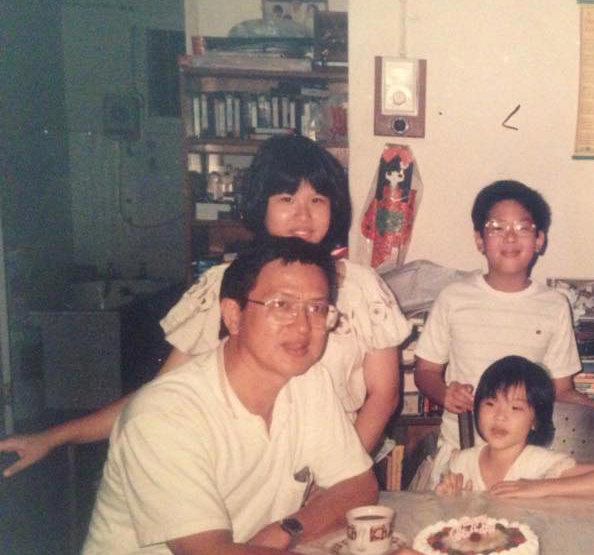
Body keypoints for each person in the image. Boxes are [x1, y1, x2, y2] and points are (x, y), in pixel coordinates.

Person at [71, 239, 443, 555]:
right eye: (282, 305)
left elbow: (357, 484)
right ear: (233, 316)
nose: (303, 325)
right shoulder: (164, 415)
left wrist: (288, 529)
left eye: (317, 308)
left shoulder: (306, 381)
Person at [0, 134, 409, 476]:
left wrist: (336, 478)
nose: (304, 214)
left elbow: (383, 396)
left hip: (340, 470)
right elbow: (162, 395)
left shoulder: (360, 288)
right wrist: (55, 436)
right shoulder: (224, 286)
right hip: (244, 475)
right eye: (287, 198)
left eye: (318, 199)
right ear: (260, 205)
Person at [415, 179, 594, 487]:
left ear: (539, 240)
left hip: (522, 460)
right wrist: (445, 393)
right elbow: (425, 371)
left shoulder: (554, 304)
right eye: (496, 227)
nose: (510, 237)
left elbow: (561, 391)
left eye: (523, 228)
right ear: (479, 239)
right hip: (461, 458)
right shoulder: (453, 298)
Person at [434, 355, 594, 497]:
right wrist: (447, 494)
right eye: (490, 404)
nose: (500, 416)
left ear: (535, 421)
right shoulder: (462, 462)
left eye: (515, 408)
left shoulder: (539, 463)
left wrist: (539, 487)